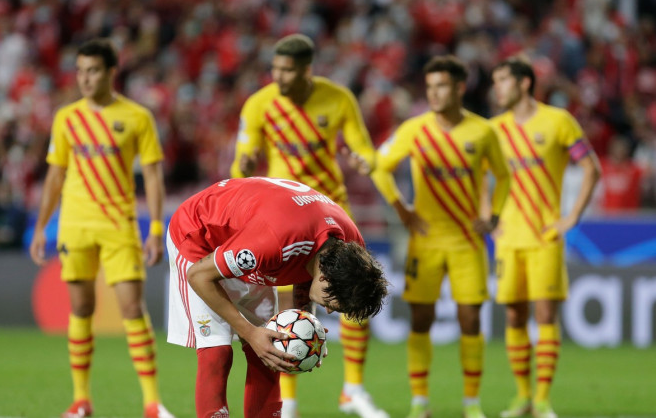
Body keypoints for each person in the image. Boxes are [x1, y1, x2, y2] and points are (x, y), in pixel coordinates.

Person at [230, 34, 386, 418]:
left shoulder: (337, 98)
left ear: (306, 69)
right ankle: (290, 401)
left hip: (333, 215)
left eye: (287, 70)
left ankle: (353, 391)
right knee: (290, 312)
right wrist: (245, 168)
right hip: (287, 221)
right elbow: (240, 166)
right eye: (275, 69)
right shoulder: (259, 104)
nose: (278, 77)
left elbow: (361, 145)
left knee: (352, 297)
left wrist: (366, 161)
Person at [29, 39, 173, 418]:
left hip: (119, 225)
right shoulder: (66, 118)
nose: (84, 78)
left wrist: (156, 229)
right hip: (75, 224)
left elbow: (154, 177)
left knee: (131, 307)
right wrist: (42, 226)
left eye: (92, 70)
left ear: (112, 72)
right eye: (79, 71)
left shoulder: (138, 117)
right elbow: (54, 176)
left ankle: (152, 403)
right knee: (80, 307)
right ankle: (81, 400)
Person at [165, 176, 389, 418]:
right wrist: (249, 331)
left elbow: (309, 264)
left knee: (272, 349)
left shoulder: (351, 250)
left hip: (253, 236)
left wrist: (305, 330)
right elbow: (199, 276)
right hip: (201, 239)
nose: (331, 312)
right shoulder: (273, 243)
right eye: (332, 304)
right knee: (217, 351)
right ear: (325, 279)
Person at [370, 55, 511, 418]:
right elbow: (379, 167)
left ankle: (471, 403)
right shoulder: (414, 129)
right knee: (420, 319)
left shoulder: (482, 131)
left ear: (460, 88)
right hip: (426, 240)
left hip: (467, 241)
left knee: (470, 320)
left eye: (441, 86)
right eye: (429, 87)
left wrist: (492, 216)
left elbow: (504, 175)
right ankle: (419, 402)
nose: (434, 93)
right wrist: (401, 208)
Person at [490, 57, 601, 418]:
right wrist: (488, 218)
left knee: (545, 315)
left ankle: (542, 400)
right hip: (508, 239)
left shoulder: (558, 121)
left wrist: (571, 217)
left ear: (524, 83)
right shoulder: (493, 129)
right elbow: (476, 176)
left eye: (503, 80)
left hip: (545, 235)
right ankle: (522, 398)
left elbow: (591, 168)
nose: (496, 88)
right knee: (514, 317)